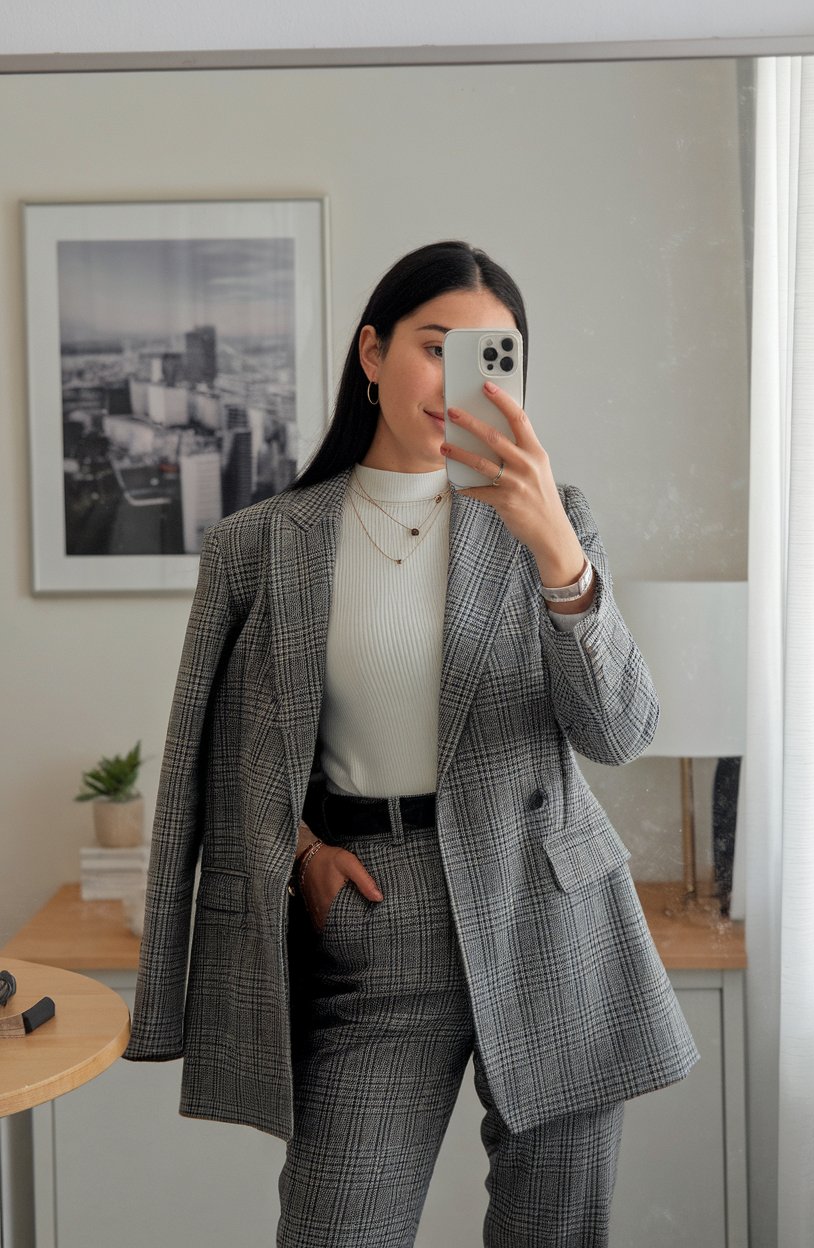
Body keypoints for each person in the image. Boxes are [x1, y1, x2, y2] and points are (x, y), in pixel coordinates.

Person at [125, 240, 698, 1247]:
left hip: (548, 913)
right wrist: (301, 854)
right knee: (336, 1228)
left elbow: (620, 732)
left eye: (493, 355)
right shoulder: (263, 542)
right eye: (437, 346)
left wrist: (556, 556)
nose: (458, 378)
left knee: (554, 1234)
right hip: (374, 914)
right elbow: (216, 756)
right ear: (373, 353)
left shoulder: (554, 524)